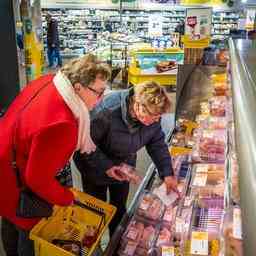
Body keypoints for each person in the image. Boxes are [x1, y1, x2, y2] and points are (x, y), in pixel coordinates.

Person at [0, 54, 110, 256]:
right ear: (78, 87)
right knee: (28, 232)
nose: (101, 99)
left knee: (9, 223)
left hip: (6, 165)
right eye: (99, 92)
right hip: (18, 183)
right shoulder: (63, 124)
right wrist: (66, 198)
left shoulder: (50, 81)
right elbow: (37, 180)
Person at [74, 81, 178, 236]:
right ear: (138, 106)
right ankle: (94, 245)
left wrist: (167, 173)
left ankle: (115, 244)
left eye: (159, 117)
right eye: (153, 116)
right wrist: (107, 166)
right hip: (94, 168)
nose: (156, 120)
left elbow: (156, 143)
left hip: (124, 168)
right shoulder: (106, 110)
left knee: (119, 207)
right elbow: (84, 145)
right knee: (95, 211)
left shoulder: (153, 115)